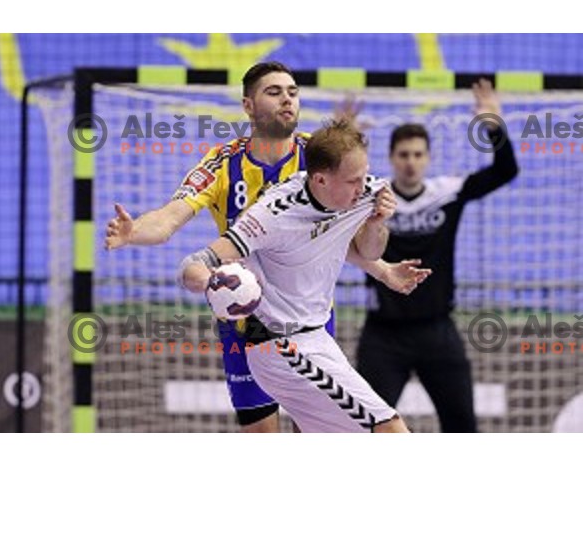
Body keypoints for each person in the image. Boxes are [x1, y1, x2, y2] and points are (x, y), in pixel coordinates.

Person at [105, 61, 429, 432]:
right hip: (246, 320)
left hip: (307, 317)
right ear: (248, 105)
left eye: (292, 92)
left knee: (322, 428)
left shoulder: (319, 157)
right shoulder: (223, 164)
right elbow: (168, 219)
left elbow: (333, 237)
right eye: (273, 92)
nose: (286, 100)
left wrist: (384, 269)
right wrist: (133, 232)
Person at [180, 120, 415, 432]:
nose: (363, 187)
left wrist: (376, 224)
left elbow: (370, 252)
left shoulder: (366, 192)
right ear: (319, 179)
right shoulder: (272, 213)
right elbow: (193, 264)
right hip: (281, 346)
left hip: (319, 340)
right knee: (389, 428)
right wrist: (210, 281)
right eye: (353, 181)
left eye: (364, 175)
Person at [356, 79, 519, 432]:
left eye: (417, 154)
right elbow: (322, 188)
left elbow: (506, 171)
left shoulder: (447, 193)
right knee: (363, 429)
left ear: (428, 158)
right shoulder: (372, 198)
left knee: (462, 427)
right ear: (391, 158)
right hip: (383, 336)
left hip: (437, 331)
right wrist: (344, 139)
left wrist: (493, 125)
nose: (410, 163)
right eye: (403, 155)